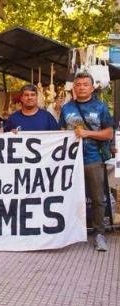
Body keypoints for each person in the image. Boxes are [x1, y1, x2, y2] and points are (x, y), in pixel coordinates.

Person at [60, 72, 113, 251]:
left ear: (91, 87)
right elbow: (61, 132)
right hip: (70, 160)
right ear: (74, 87)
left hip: (93, 159)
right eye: (78, 84)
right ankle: (69, 231)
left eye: (85, 84)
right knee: (69, 196)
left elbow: (109, 133)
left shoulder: (100, 107)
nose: (81, 87)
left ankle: (99, 234)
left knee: (98, 198)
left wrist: (87, 133)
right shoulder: (66, 108)